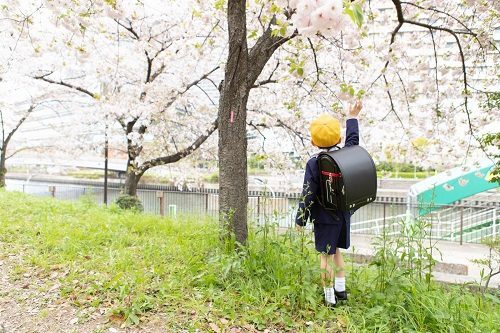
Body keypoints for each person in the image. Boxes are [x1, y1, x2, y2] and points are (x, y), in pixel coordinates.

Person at [295, 100, 362, 307]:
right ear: (339, 138)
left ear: (313, 142)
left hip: (324, 218)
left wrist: (300, 220)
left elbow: (308, 193)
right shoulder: (346, 155)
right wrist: (352, 117)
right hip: (343, 214)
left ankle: (329, 297)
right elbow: (353, 141)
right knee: (337, 252)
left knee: (326, 256)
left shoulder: (314, 163)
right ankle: (341, 290)